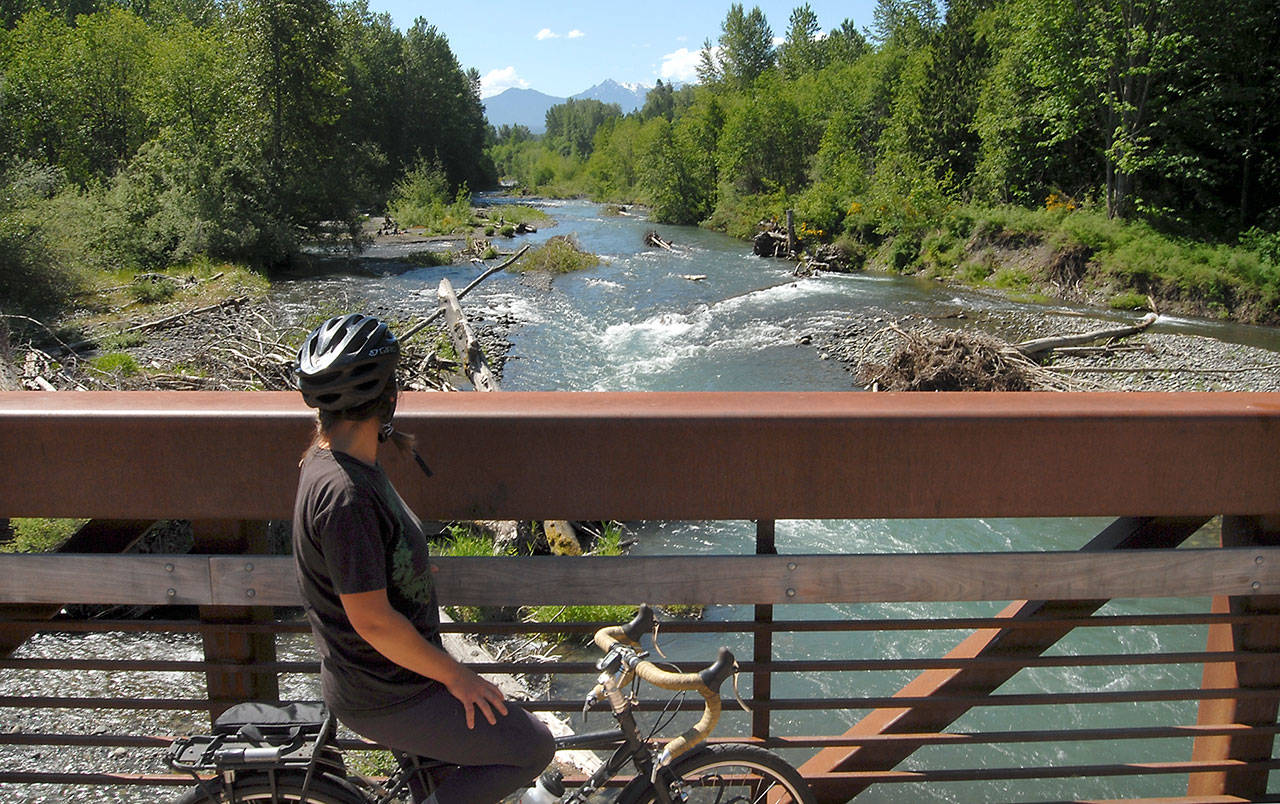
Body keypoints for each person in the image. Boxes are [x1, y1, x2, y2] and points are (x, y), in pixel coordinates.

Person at [291, 313, 554, 804]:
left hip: (387, 678)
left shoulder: (339, 464)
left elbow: (368, 566)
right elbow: (373, 622)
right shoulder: (346, 493)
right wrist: (460, 676)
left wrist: (408, 564)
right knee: (530, 747)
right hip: (388, 691)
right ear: (389, 396)